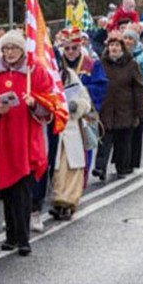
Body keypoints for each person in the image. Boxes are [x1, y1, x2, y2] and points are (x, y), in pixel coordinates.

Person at [0, 30, 56, 256]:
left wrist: (34, 103)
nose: (9, 53)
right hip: (4, 140)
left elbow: (49, 105)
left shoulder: (35, 72)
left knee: (23, 190)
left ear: (22, 50)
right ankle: (11, 236)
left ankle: (24, 237)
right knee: (6, 190)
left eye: (13, 48)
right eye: (5, 49)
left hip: (25, 139)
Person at [93, 32, 143, 180]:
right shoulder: (101, 64)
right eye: (111, 45)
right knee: (105, 140)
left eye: (117, 45)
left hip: (125, 109)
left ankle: (122, 168)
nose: (114, 48)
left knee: (123, 142)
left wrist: (140, 110)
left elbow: (139, 88)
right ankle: (100, 167)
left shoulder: (131, 64)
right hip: (107, 109)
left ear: (122, 47)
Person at [49, 55, 92, 219]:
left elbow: (85, 100)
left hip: (70, 127)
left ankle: (67, 202)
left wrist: (76, 106)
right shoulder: (40, 76)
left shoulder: (70, 76)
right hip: (51, 127)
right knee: (57, 169)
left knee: (71, 167)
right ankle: (58, 200)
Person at [122, 27, 143, 171]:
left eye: (130, 39)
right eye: (126, 38)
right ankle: (124, 162)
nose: (128, 41)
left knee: (137, 132)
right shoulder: (120, 55)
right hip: (125, 98)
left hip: (139, 98)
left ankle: (134, 161)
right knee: (126, 132)